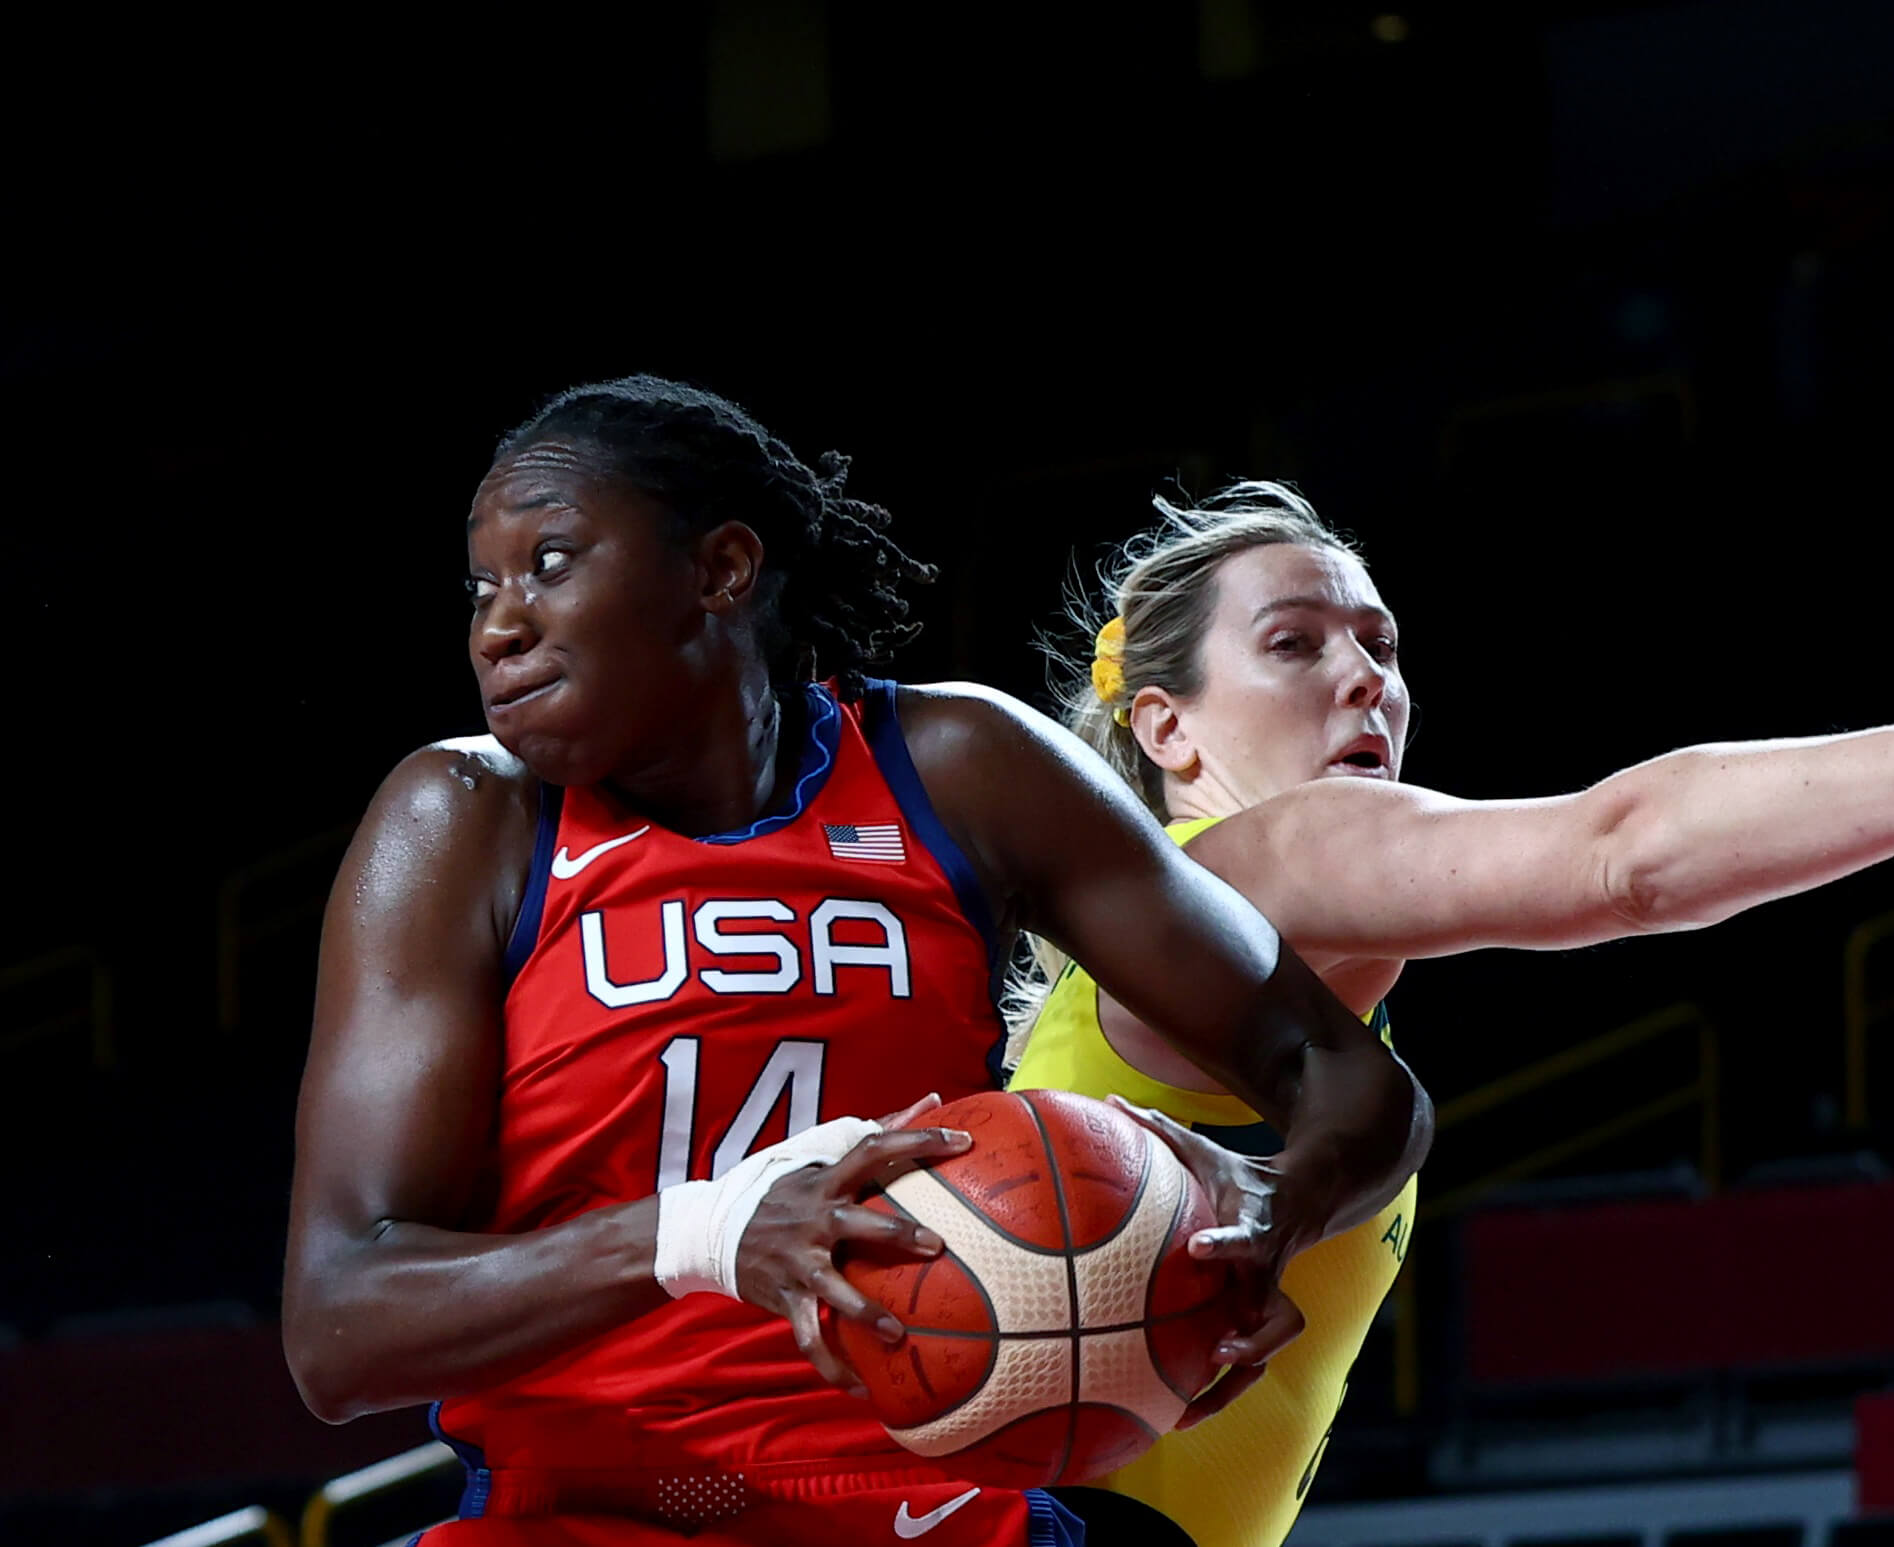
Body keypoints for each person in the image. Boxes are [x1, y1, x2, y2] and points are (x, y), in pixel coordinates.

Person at [1007, 481, 1894, 1547]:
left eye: (1381, 645)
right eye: (1295, 644)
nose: (1363, 680)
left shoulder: (1197, 953)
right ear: (1166, 727)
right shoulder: (1255, 866)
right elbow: (1621, 852)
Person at [280, 379, 1432, 1547]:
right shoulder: (463, 817)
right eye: (484, 586)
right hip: (584, 1510)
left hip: (935, 1507)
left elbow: (1351, 1082)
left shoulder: (959, 767)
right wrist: (704, 1230)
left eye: (553, 563)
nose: (499, 625)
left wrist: (1267, 1208)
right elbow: (339, 1324)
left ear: (722, 568)